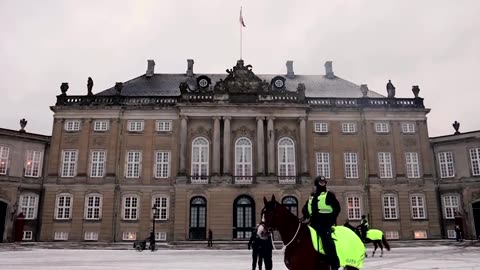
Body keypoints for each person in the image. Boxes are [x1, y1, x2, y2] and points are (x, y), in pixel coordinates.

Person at [302, 176, 341, 270]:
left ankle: (334, 264)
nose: (323, 184)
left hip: (325, 224)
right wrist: (306, 215)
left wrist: (330, 219)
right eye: (321, 182)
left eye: (324, 182)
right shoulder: (312, 196)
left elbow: (337, 208)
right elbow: (305, 209)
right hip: (313, 223)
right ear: (317, 184)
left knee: (327, 242)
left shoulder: (329, 195)